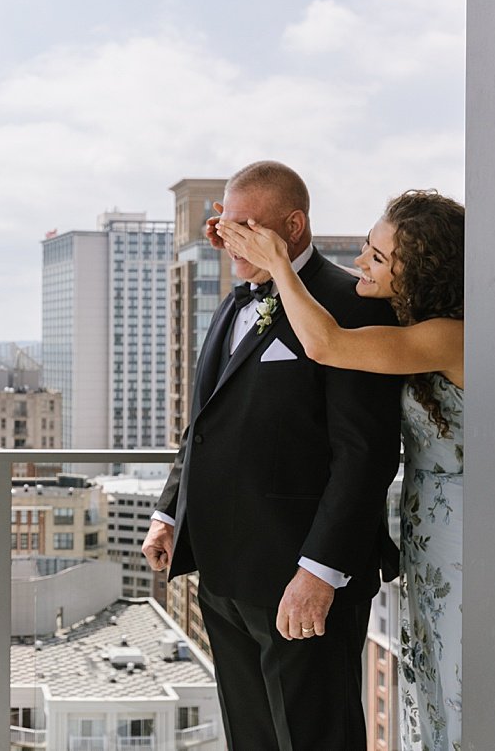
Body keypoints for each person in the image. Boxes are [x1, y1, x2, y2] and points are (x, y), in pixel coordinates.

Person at [142, 161, 402, 751]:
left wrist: (318, 572)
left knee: (315, 737)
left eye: (246, 226)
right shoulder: (234, 302)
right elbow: (204, 425)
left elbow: (365, 454)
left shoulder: (350, 303)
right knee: (251, 738)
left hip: (301, 580)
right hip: (224, 574)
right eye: (224, 225)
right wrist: (168, 513)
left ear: (294, 225)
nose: (229, 239)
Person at [219, 188, 464, 751]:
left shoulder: (449, 336)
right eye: (365, 248)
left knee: (458, 678)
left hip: (466, 540)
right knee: (431, 677)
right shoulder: (415, 330)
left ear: (424, 271)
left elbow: (325, 345)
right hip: (427, 539)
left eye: (378, 257)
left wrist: (280, 263)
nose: (360, 262)